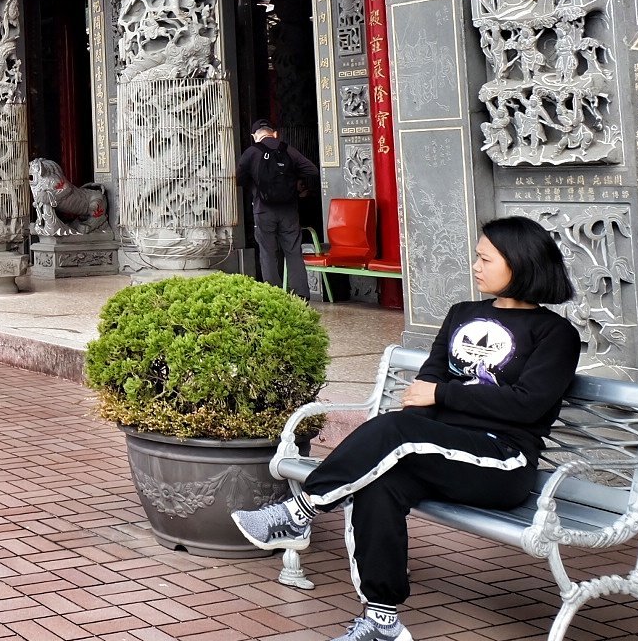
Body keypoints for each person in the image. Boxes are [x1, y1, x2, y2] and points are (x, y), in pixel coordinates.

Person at [232, 216, 580, 641]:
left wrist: (444, 397)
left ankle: (300, 513)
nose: (475, 266)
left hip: (502, 461)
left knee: (396, 429)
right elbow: (427, 382)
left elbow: (528, 405)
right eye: (477, 256)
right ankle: (382, 623)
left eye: (485, 258)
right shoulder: (462, 314)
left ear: (520, 263)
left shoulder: (555, 333)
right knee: (380, 484)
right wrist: (439, 396)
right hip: (434, 451)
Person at [235, 119, 320, 300]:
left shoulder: (252, 152)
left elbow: (239, 180)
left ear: (254, 136)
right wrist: (291, 180)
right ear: (273, 133)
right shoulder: (288, 149)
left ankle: (273, 297)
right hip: (289, 210)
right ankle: (302, 296)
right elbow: (312, 170)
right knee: (293, 251)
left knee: (267, 252)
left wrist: (257, 183)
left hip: (263, 210)